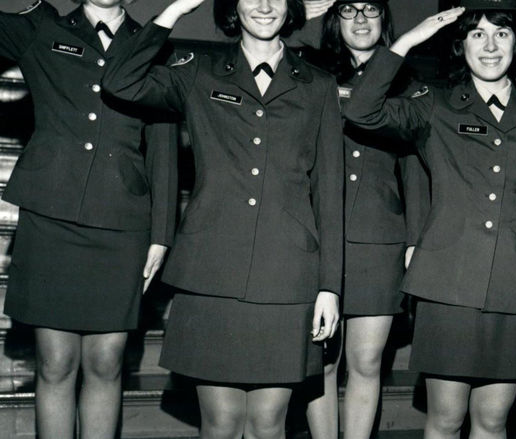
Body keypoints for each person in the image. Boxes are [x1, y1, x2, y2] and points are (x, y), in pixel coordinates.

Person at [101, 0, 344, 437]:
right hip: (212, 270)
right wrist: (174, 11)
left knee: (269, 422)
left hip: (287, 276)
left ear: (291, 8)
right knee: (221, 421)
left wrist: (330, 285)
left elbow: (329, 194)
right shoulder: (199, 71)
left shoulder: (318, 86)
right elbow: (119, 80)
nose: (265, 6)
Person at [343, 1, 516, 437]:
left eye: (501, 33)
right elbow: (361, 110)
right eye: (477, 34)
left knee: (494, 420)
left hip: (514, 289)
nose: (490, 45)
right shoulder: (434, 106)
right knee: (446, 418)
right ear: (461, 46)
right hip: (447, 285)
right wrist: (404, 43)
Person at [0, 1, 176, 438]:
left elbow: (164, 147)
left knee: (106, 361)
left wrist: (162, 232)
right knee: (55, 362)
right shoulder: (42, 29)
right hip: (52, 217)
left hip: (122, 222)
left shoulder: (151, 42)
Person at [301, 1, 430, 438]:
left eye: (370, 10)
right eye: (349, 10)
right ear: (334, 21)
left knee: (366, 360)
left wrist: (415, 238)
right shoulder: (311, 74)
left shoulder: (408, 84)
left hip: (380, 239)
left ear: (385, 21)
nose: (360, 20)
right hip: (317, 234)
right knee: (320, 359)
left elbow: (415, 168)